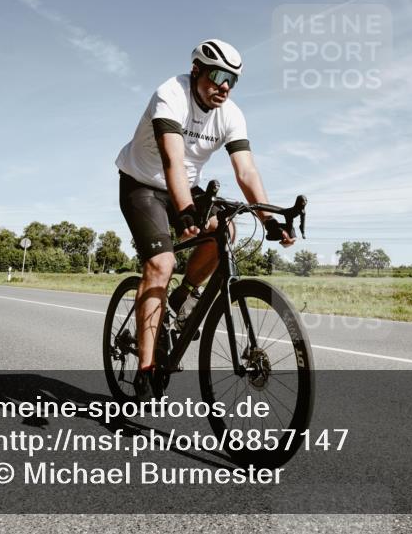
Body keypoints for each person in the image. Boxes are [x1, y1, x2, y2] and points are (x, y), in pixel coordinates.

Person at [114, 39, 296, 401]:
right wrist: (183, 213)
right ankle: (147, 367)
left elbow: (245, 171)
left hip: (187, 185)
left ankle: (183, 296)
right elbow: (171, 161)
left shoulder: (231, 113)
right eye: (217, 76)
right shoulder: (171, 94)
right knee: (161, 263)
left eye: (232, 80)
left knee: (224, 229)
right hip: (143, 184)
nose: (224, 86)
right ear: (196, 70)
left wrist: (268, 220)